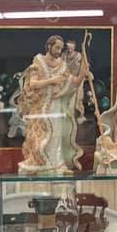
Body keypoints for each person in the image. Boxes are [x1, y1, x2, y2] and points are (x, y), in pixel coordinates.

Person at [16, 35, 86, 175]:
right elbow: (33, 84)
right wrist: (51, 81)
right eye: (57, 47)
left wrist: (84, 68)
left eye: (61, 48)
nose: (59, 51)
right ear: (49, 46)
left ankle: (57, 166)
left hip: (56, 106)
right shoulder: (39, 61)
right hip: (41, 108)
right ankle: (43, 166)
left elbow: (74, 82)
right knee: (42, 139)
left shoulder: (62, 65)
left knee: (56, 137)